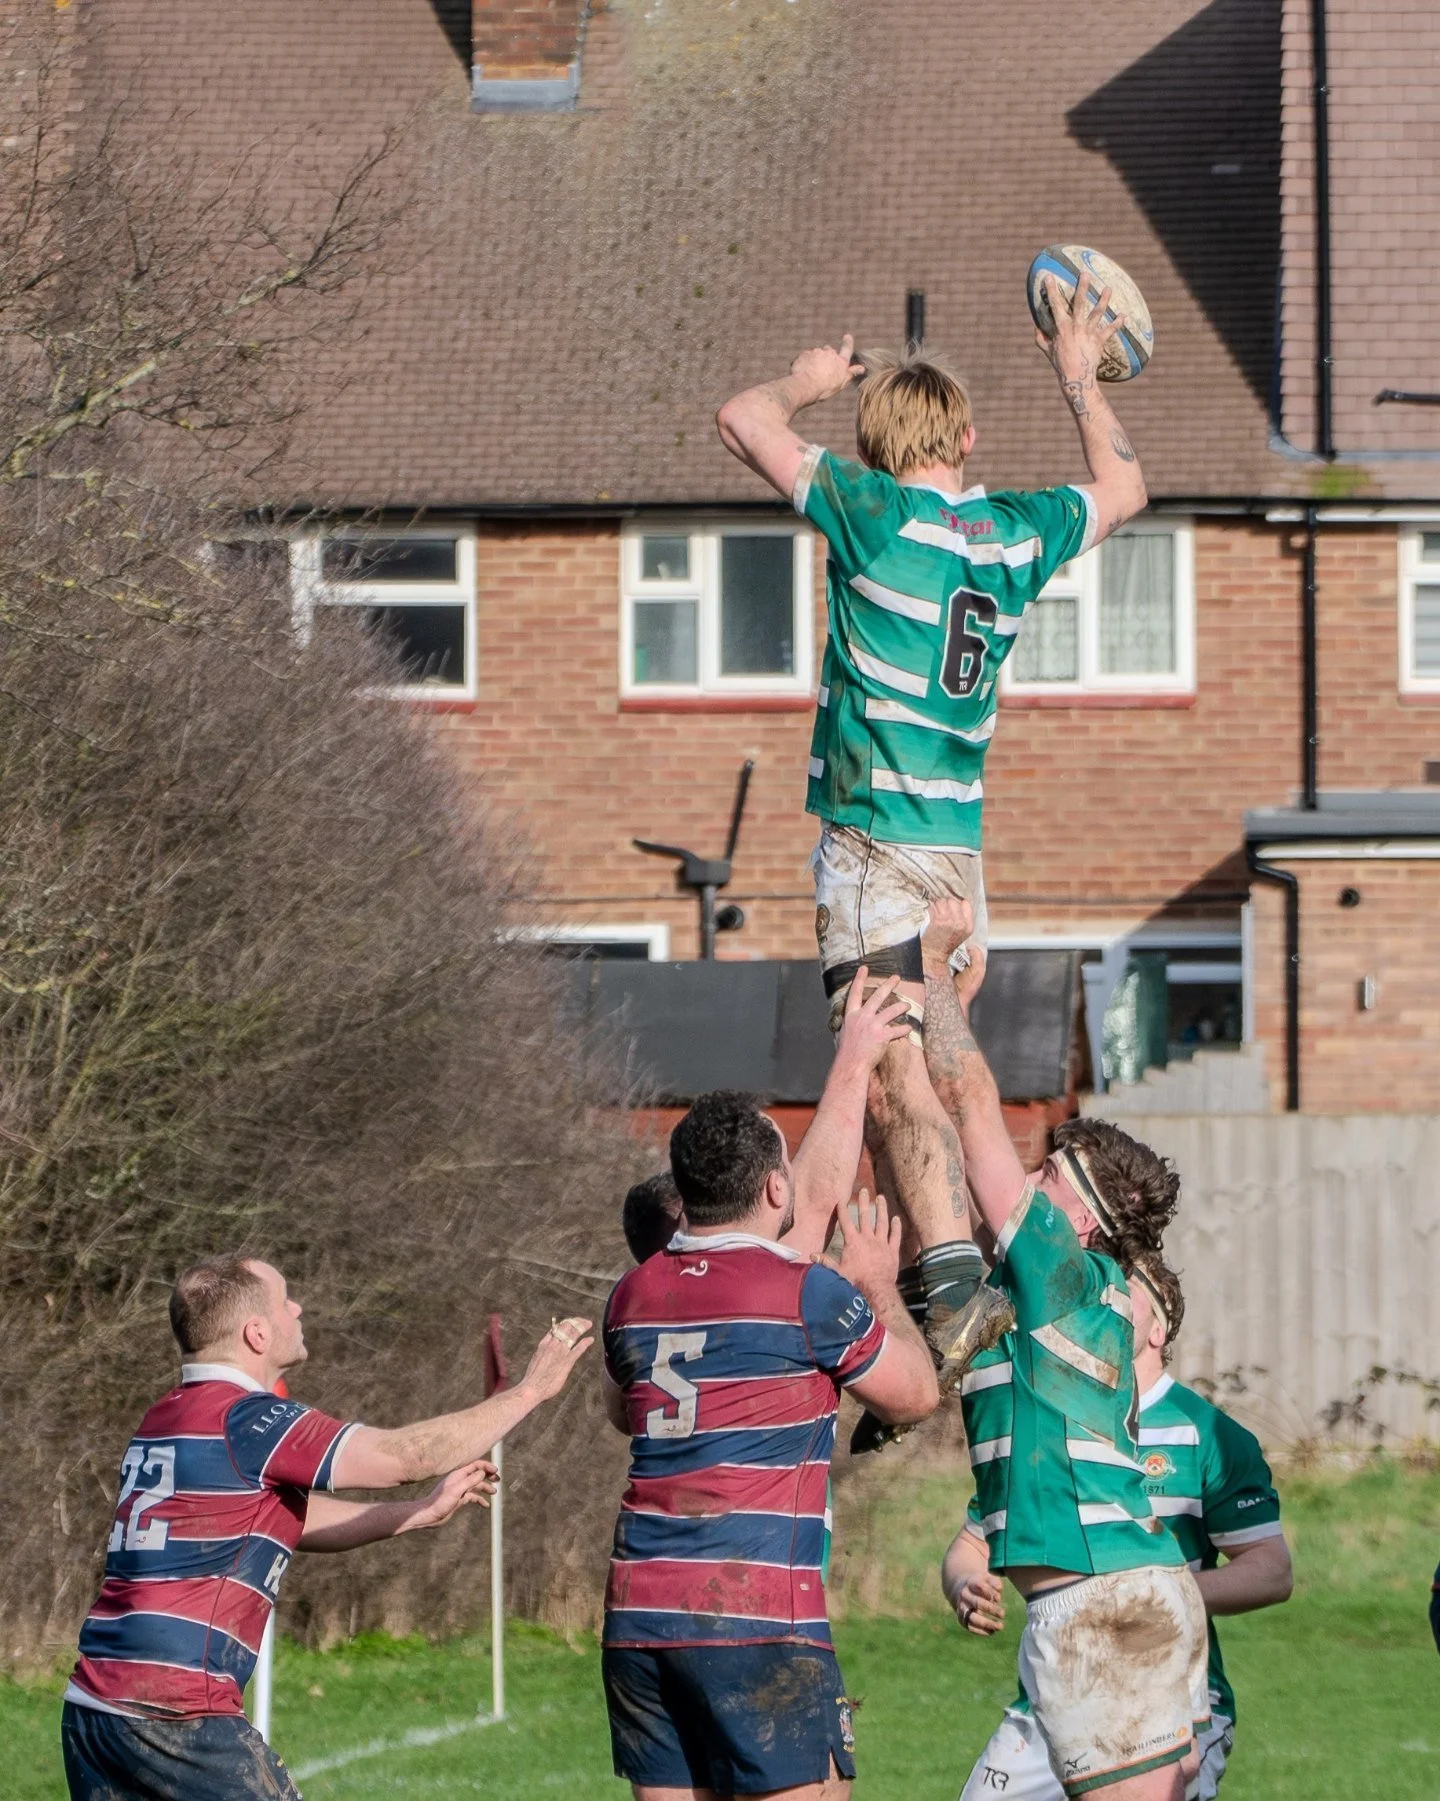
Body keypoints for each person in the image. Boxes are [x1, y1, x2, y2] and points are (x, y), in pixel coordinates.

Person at [715, 281, 1147, 1405]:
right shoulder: (1011, 534)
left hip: (875, 843)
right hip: (961, 849)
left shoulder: (868, 510)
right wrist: (1076, 373)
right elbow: (1126, 488)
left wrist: (806, 383)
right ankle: (949, 1275)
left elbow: (742, 420)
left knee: (891, 1064)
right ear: (966, 438)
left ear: (876, 446)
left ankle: (952, 1289)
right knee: (945, 1066)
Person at [61, 1255, 592, 1801]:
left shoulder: (167, 1415)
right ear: (257, 1333)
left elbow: (285, 1518)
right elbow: (408, 1456)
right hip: (174, 1710)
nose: (297, 1309)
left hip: (93, 1708)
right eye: (284, 1301)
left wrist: (415, 1513)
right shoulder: (250, 1419)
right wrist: (530, 1391)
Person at [917, 909, 1206, 1801]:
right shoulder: (1067, 1297)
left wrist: (932, 966)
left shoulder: (1062, 1271)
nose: (1026, 1184)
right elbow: (939, 1147)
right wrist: (951, 1007)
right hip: (1120, 1596)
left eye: (1045, 1177)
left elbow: (970, 1106)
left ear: (1080, 1217)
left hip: (1099, 1606)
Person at [601, 1082, 940, 1801]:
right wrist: (877, 1286)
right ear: (775, 1186)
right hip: (754, 1613)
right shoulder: (807, 1291)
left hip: (639, 1617)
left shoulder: (630, 1295)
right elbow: (916, 1393)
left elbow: (623, 1410)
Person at [945, 1253, 1293, 1801]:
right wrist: (964, 1584)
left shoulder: (1204, 1432)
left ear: (1157, 1330)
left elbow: (1272, 1571)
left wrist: (1142, 1593)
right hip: (1059, 1686)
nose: (1106, 1293)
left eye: (1127, 1287)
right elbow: (969, 1544)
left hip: (1168, 1690)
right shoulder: (1055, 1416)